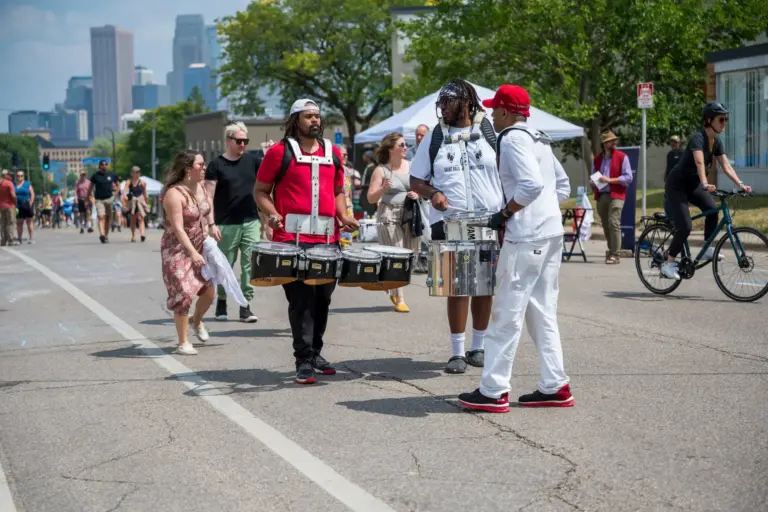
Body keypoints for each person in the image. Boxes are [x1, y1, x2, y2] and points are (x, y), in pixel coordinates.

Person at [458, 84, 574, 412]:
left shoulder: (511, 139)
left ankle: (494, 390)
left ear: (506, 112)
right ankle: (555, 385)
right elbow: (561, 185)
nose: (491, 115)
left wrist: (508, 212)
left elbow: (531, 185)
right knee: (542, 313)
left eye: (495, 110)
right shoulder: (538, 137)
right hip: (550, 233)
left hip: (526, 237)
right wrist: (542, 212)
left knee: (505, 316)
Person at [254, 99, 359, 385]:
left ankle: (315, 353)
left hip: (327, 238)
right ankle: (302, 359)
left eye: (317, 116)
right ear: (295, 120)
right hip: (291, 239)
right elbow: (261, 191)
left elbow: (337, 191)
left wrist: (344, 216)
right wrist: (272, 213)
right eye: (308, 116)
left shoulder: (332, 153)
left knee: (323, 299)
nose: (314, 120)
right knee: (300, 299)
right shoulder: (279, 152)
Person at [410, 79, 504, 374]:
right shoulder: (435, 136)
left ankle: (479, 347)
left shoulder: (489, 131)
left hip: (488, 221)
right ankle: (457, 352)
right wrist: (433, 193)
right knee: (457, 287)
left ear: (467, 103)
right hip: (450, 222)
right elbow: (416, 180)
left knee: (485, 286)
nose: (443, 108)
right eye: (441, 103)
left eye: (449, 103)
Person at [662, 102, 751, 280]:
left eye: (726, 119)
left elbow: (725, 165)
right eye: (721, 119)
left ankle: (707, 250)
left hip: (693, 184)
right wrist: (705, 182)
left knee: (712, 210)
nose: (724, 123)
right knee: (685, 226)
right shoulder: (698, 138)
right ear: (709, 120)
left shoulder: (716, 141)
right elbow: (699, 162)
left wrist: (740, 183)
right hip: (677, 185)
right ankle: (668, 263)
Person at [160, 151, 217, 356]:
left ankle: (196, 320)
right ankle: (182, 342)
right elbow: (178, 228)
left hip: (200, 246)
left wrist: (212, 225)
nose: (204, 167)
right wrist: (192, 252)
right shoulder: (174, 194)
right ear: (187, 169)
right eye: (200, 164)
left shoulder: (200, 186)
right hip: (176, 250)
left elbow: (207, 207)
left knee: (209, 292)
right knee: (183, 294)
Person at [204, 121, 260, 323]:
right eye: (239, 141)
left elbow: (265, 187)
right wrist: (211, 224)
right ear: (228, 140)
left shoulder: (253, 162)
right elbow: (208, 197)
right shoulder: (216, 165)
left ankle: (245, 305)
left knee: (250, 264)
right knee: (224, 265)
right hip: (225, 224)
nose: (243, 144)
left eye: (246, 141)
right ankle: (221, 300)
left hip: (251, 221)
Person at [367, 132, 421, 312]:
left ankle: (391, 284)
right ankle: (400, 298)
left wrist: (417, 194)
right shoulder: (381, 170)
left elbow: (422, 187)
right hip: (389, 214)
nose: (405, 148)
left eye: (405, 145)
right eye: (401, 145)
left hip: (409, 213)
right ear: (391, 149)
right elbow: (370, 198)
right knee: (397, 255)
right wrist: (383, 188)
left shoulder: (412, 166)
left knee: (411, 255)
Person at [590, 130, 632, 264]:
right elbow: (593, 175)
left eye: (614, 140)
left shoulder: (622, 157)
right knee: (606, 225)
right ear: (604, 144)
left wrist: (610, 180)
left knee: (614, 222)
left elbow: (628, 177)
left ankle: (615, 254)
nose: (614, 142)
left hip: (617, 194)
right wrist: (593, 183)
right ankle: (611, 251)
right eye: (610, 141)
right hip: (601, 195)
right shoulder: (597, 159)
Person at [88, 160, 119, 243]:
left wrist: (115, 194)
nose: (104, 165)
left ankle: (106, 235)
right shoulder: (95, 175)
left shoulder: (111, 175)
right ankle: (102, 234)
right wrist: (87, 197)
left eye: (106, 164)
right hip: (99, 200)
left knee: (108, 218)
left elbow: (118, 184)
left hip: (109, 199)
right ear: (100, 166)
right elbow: (90, 187)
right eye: (102, 164)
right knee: (101, 217)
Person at [124, 166, 149, 242]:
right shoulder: (129, 182)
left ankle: (142, 235)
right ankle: (133, 235)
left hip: (140, 202)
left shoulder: (142, 182)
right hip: (132, 202)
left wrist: (146, 203)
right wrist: (125, 197)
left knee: (141, 218)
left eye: (139, 171)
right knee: (133, 220)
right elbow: (124, 191)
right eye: (136, 172)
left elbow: (145, 193)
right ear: (132, 173)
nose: (138, 173)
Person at [14, 170, 34, 244]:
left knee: (29, 222)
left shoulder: (27, 184)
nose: (20, 177)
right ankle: (19, 239)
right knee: (19, 223)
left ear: (23, 176)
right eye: (18, 176)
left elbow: (32, 194)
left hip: (26, 204)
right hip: (18, 206)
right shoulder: (14, 184)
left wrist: (30, 203)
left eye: (21, 176)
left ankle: (31, 238)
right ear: (16, 176)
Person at [0, 170, 16, 246]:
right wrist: (15, 201)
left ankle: (3, 240)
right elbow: (13, 195)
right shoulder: (9, 183)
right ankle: (10, 240)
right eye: (9, 175)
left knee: (3, 223)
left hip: (1, 206)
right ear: (5, 175)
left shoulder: (0, 183)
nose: (11, 176)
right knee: (10, 223)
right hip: (10, 206)